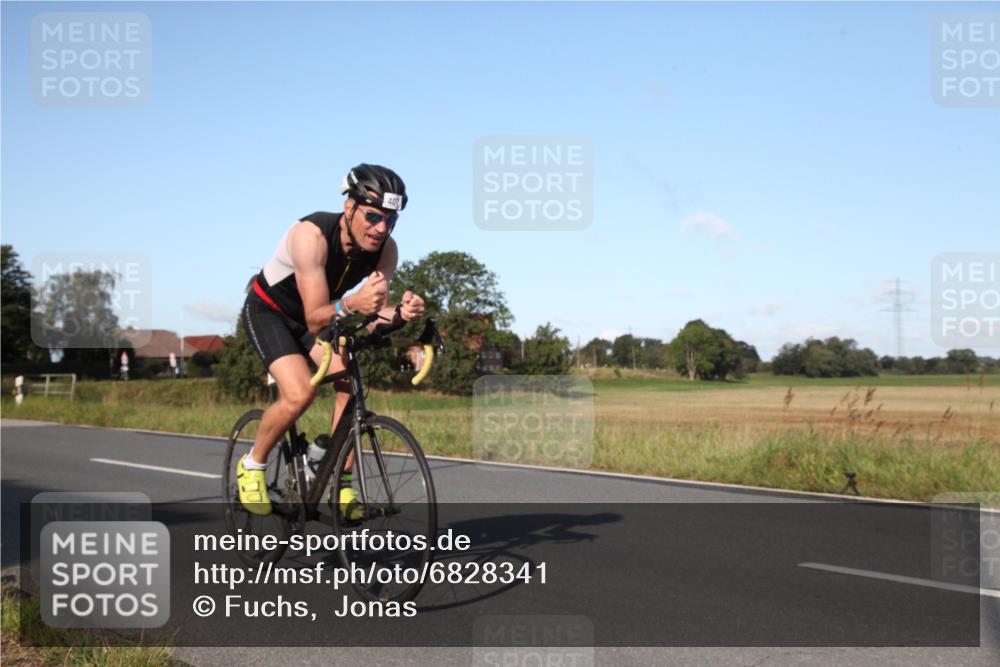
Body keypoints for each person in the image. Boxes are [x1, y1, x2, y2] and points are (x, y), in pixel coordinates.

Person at [237, 164, 425, 517]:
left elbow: (374, 320)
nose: (381, 228)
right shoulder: (310, 236)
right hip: (271, 312)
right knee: (300, 392)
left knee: (350, 390)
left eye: (390, 220)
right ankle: (253, 464)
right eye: (372, 216)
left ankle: (339, 485)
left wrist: (400, 314)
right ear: (350, 207)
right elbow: (314, 316)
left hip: (322, 314)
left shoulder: (386, 250)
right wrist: (351, 303)